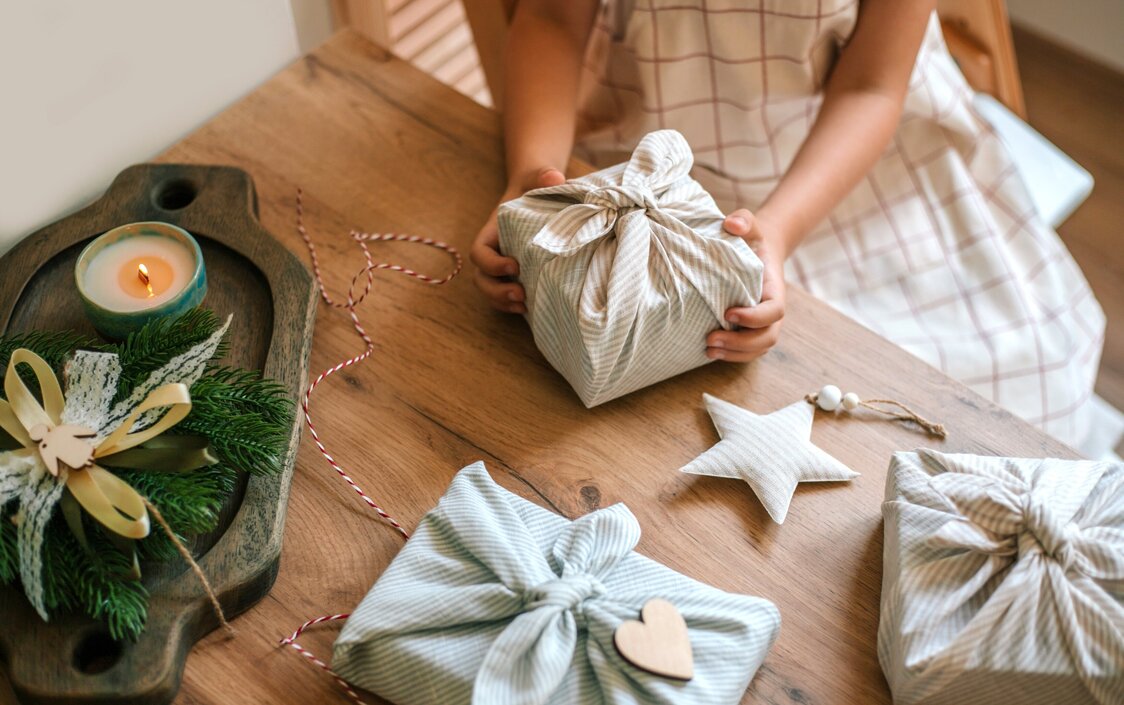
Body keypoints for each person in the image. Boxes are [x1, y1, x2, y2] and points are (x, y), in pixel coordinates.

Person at [470, 0, 1109, 455]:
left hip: (855, 165)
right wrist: (529, 174)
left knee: (1005, 383)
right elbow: (552, 19)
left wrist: (775, 229)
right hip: (650, 148)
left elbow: (871, 87)